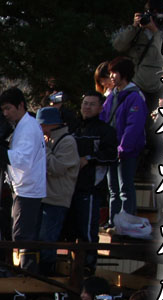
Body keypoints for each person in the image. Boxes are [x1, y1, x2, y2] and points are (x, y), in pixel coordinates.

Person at [0, 87, 46, 272]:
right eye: (3, 110)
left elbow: (22, 159)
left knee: (23, 235)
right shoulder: (23, 125)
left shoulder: (28, 127)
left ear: (21, 105)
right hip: (23, 187)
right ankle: (23, 272)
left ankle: (26, 274)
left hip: (28, 188)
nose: (6, 113)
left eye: (8, 108)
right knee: (21, 233)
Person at [69, 91, 118, 273]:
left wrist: (89, 158)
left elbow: (111, 155)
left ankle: (88, 267)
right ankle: (72, 265)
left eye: (91, 104)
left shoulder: (106, 131)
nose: (87, 107)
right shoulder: (73, 129)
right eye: (85, 103)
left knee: (88, 232)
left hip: (90, 188)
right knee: (70, 231)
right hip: (68, 188)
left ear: (100, 107)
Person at [101, 57, 147, 223]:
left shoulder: (134, 96)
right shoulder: (113, 95)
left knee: (124, 187)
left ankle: (126, 221)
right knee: (113, 189)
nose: (111, 76)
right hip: (112, 148)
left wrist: (124, 148)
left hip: (127, 151)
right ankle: (114, 221)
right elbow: (104, 117)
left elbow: (134, 125)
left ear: (124, 74)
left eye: (115, 72)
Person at [37, 106, 80, 275]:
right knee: (39, 239)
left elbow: (57, 167)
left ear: (50, 124)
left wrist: (43, 149)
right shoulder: (50, 140)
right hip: (44, 197)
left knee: (47, 239)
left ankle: (47, 274)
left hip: (56, 199)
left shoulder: (67, 141)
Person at [111, 0, 163, 111]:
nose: (154, 15)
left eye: (158, 12)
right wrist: (134, 27)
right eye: (151, 12)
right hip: (136, 83)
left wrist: (155, 30)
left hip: (157, 86)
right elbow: (118, 46)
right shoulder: (137, 31)